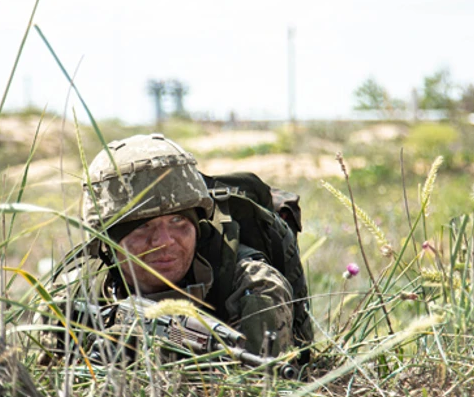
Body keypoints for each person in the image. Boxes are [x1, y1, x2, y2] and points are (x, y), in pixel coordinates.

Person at [39, 133, 307, 362]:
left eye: (178, 220)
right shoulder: (71, 294)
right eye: (143, 226)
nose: (164, 241)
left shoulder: (254, 287)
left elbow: (259, 394)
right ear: (106, 241)